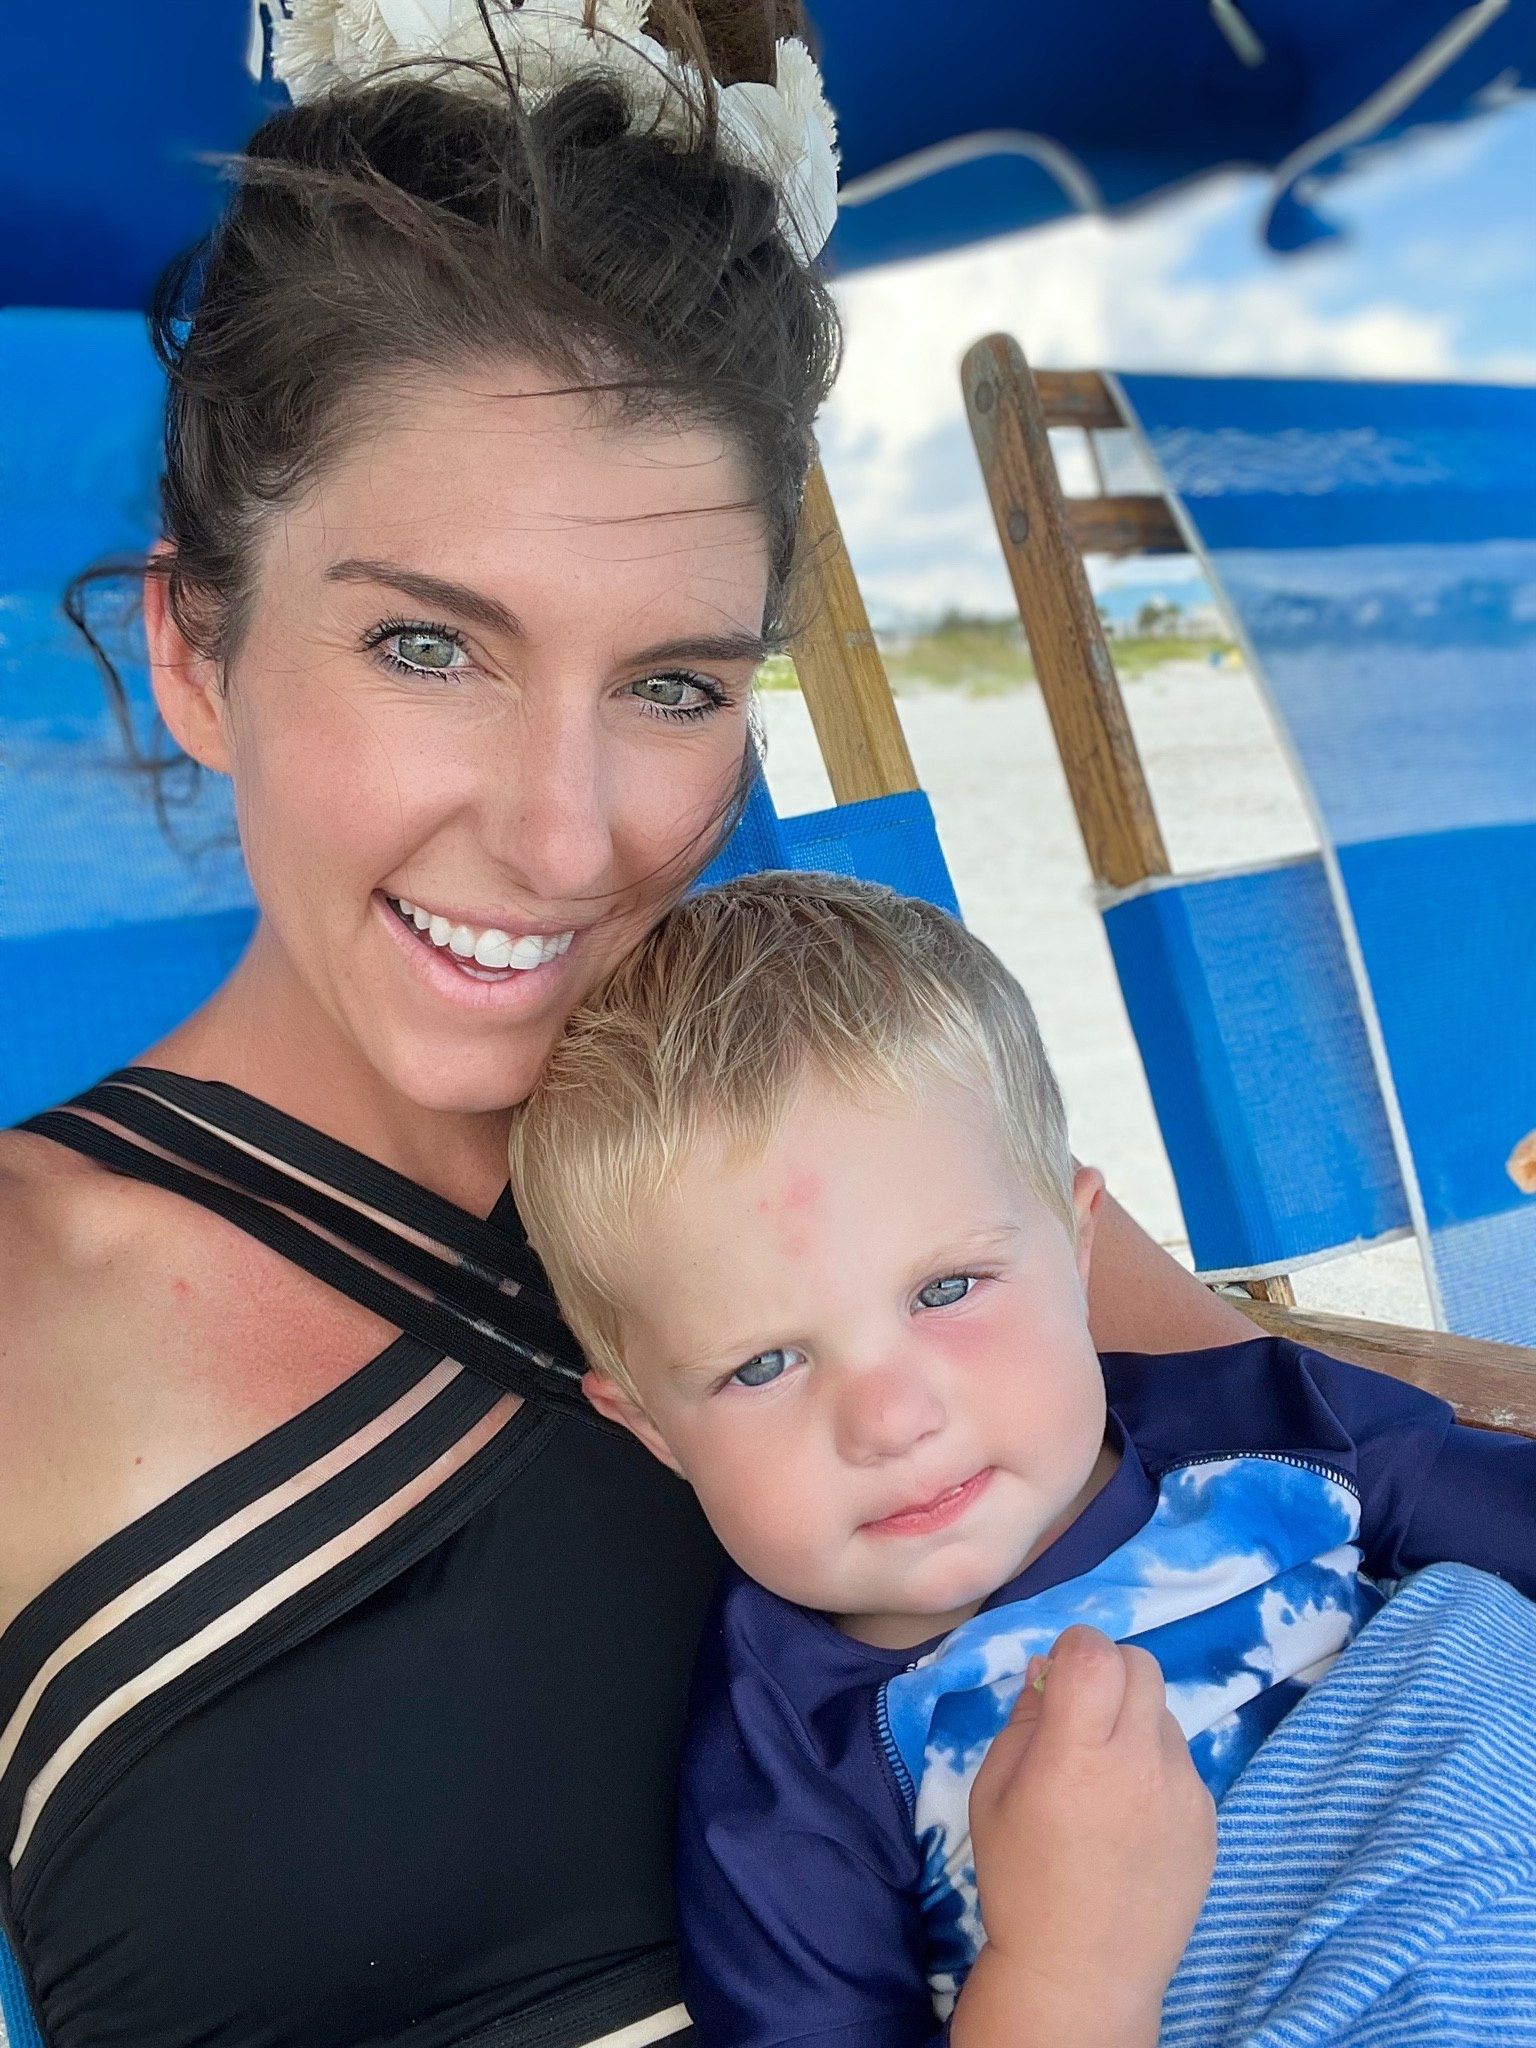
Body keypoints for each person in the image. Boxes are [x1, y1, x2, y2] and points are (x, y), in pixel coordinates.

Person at [0, 5, 1273, 2044]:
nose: (564, 837)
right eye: (429, 645)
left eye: (674, 686)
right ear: (198, 645)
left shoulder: (864, 1125)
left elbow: (1362, 1481)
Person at [506, 870, 1536, 2048]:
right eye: (764, 1363)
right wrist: (1066, 1972)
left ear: (1078, 1245)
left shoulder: (1270, 1428)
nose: (891, 1417)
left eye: (946, 1289)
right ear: (651, 1426)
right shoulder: (790, 1776)